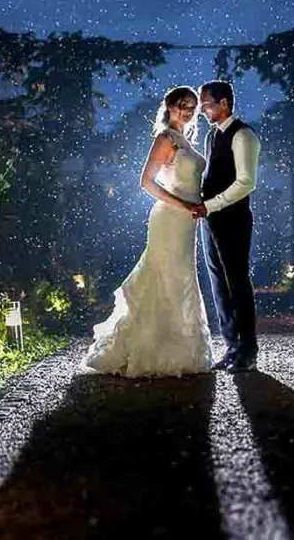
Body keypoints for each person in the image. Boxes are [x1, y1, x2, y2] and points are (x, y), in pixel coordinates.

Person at [83, 86, 214, 376]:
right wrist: (183, 204)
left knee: (182, 277)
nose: (189, 111)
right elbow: (146, 182)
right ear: (169, 106)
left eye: (193, 106)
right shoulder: (166, 138)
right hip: (170, 218)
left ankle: (179, 349)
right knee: (164, 276)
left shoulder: (187, 140)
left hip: (187, 220)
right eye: (182, 105)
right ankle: (150, 350)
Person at [196, 80, 261, 371]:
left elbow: (246, 182)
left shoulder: (244, 135)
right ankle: (232, 346)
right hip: (209, 219)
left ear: (224, 103)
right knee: (218, 283)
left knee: (237, 282)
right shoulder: (212, 136)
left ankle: (248, 350)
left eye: (206, 103)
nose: (202, 109)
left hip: (233, 219)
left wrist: (210, 204)